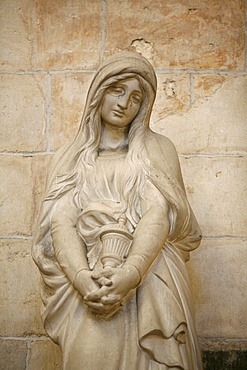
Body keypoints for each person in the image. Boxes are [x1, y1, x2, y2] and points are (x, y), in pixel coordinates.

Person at [33, 52, 203, 370]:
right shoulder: (70, 157)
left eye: (136, 97)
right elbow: (61, 222)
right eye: (117, 90)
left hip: (150, 272)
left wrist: (131, 273)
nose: (125, 103)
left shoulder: (157, 149)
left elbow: (158, 213)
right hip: (87, 277)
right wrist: (83, 279)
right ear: (99, 92)